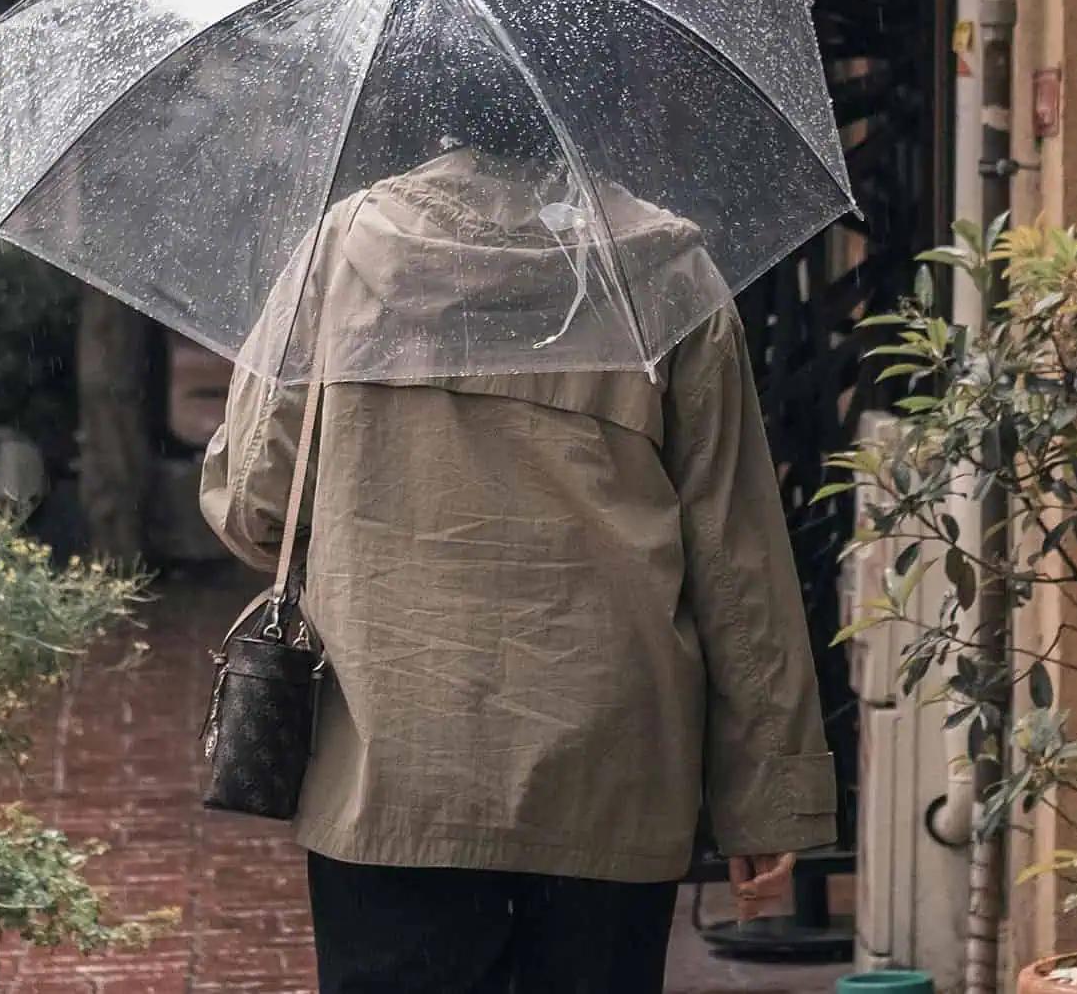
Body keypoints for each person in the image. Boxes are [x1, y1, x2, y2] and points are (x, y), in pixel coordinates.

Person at [200, 146, 835, 994]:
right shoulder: (668, 273)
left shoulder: (339, 255)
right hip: (612, 768)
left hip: (392, 759)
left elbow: (254, 508)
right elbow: (738, 561)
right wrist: (767, 792)